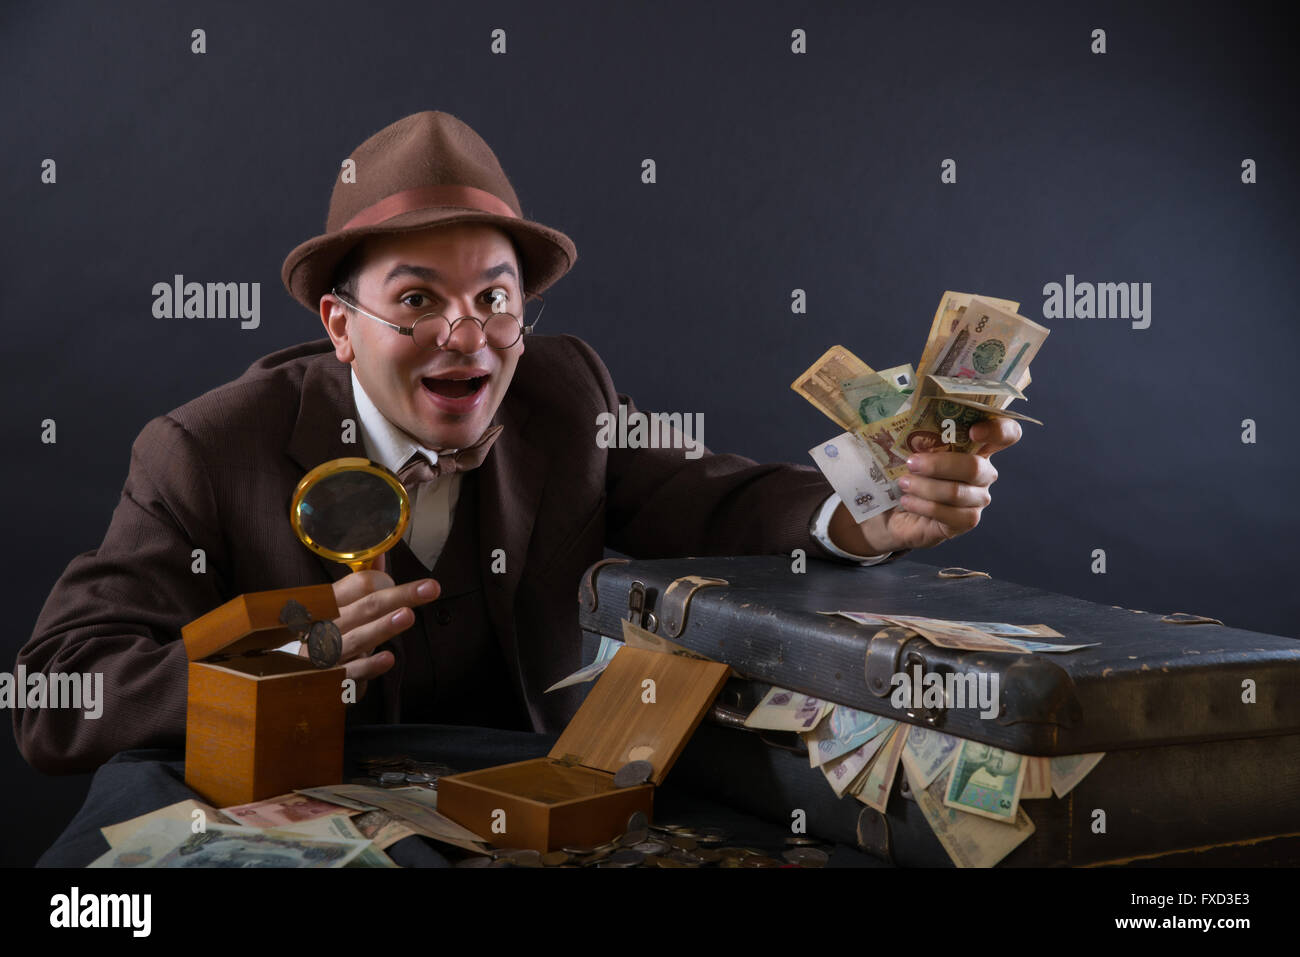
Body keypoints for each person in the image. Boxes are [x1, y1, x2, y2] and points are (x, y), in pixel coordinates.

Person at [13, 111, 1021, 774]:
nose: (468, 335)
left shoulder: (560, 388)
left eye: (494, 298)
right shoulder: (204, 450)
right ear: (338, 326)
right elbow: (57, 694)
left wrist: (863, 512)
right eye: (416, 299)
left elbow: (711, 497)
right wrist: (283, 649)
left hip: (529, 811)